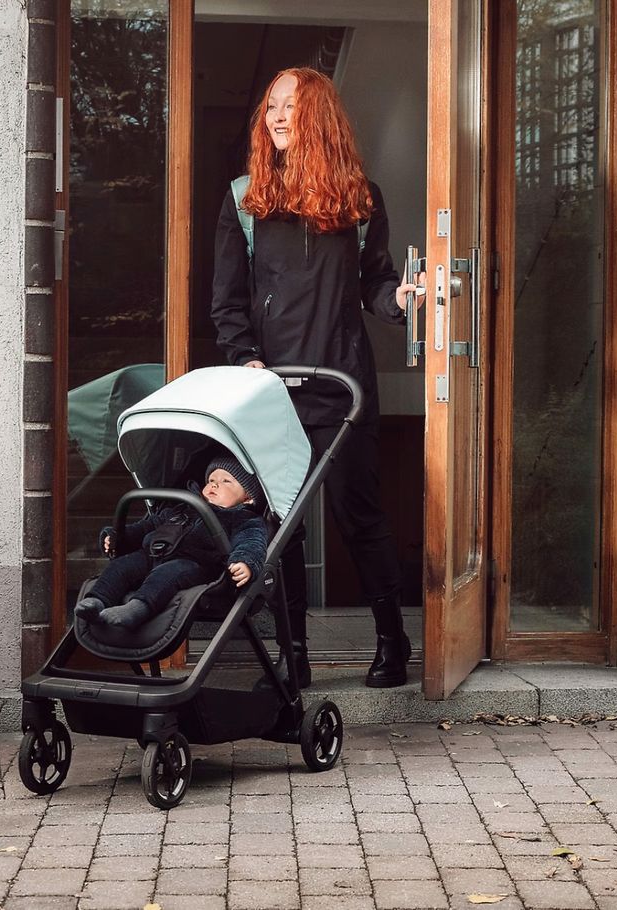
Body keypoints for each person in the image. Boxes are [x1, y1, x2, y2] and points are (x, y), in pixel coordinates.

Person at [210, 67, 426, 689]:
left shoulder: (360, 199)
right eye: (271, 106)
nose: (277, 116)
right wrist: (244, 357)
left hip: (344, 388)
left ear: (320, 120)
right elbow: (226, 302)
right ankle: (294, 654)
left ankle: (392, 642)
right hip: (273, 392)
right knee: (280, 526)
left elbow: (374, 283)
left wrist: (399, 299)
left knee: (361, 516)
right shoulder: (245, 200)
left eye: (292, 107)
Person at [75, 454, 267, 628]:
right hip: (152, 553)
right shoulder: (182, 507)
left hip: (193, 565)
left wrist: (245, 562)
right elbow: (146, 528)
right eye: (211, 480)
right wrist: (118, 537)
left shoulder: (242, 518)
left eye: (226, 481)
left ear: (248, 498)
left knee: (168, 574)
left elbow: (251, 542)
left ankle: (137, 608)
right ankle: (97, 601)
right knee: (121, 566)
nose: (215, 485)